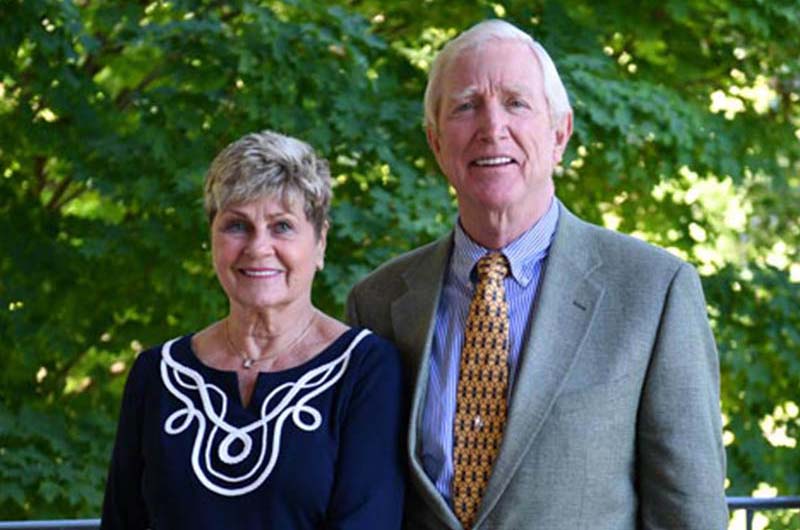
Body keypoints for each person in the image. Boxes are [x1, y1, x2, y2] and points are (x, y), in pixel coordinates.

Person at [347, 19, 728, 530]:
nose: (491, 127)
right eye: (466, 106)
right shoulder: (378, 302)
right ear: (437, 144)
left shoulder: (654, 293)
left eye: (516, 102)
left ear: (559, 135)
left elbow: (690, 514)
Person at [101, 130, 405, 529]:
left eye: (281, 227)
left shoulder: (365, 370)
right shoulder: (156, 374)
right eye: (237, 226)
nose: (258, 247)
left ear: (320, 243)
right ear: (212, 238)